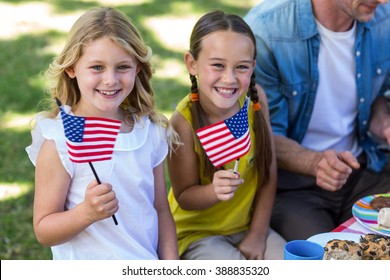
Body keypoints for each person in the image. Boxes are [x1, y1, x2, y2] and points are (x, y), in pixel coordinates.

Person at [25, 7, 179, 260]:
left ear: (137, 68)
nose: (110, 80)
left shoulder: (148, 132)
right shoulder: (61, 140)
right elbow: (44, 230)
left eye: (122, 67)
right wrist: (86, 212)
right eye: (97, 67)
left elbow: (161, 209)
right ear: (72, 69)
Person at [244, 0, 390, 241]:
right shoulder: (265, 32)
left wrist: (384, 124)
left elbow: (375, 98)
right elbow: (263, 136)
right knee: (328, 257)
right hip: (294, 189)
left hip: (364, 169)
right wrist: (315, 163)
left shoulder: (382, 18)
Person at [167, 10, 286, 260]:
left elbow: (268, 173)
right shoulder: (182, 123)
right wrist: (214, 191)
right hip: (197, 233)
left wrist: (257, 234)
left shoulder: (255, 101)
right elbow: (184, 196)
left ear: (252, 67)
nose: (229, 78)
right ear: (192, 63)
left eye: (241, 67)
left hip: (247, 228)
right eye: (218, 65)